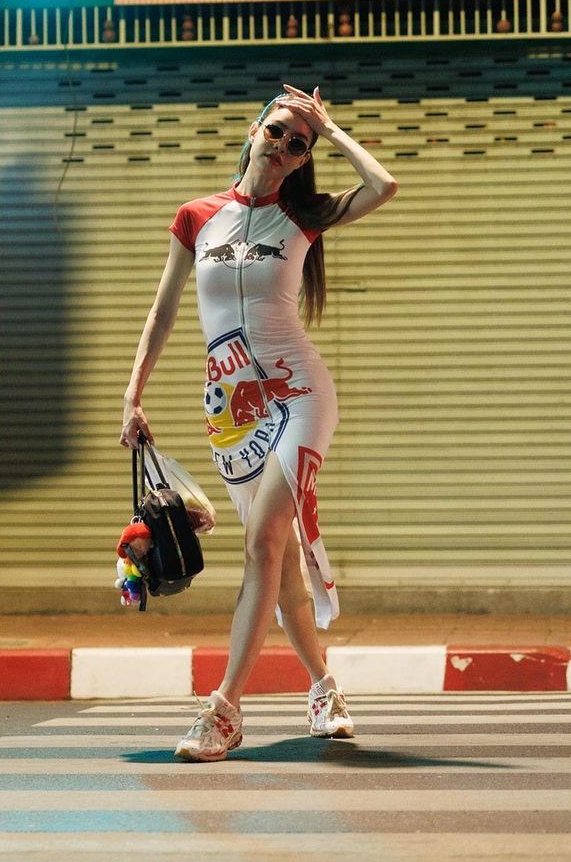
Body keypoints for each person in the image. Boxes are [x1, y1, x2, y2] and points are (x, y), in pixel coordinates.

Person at [120, 84, 398, 761]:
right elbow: (163, 313)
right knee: (282, 561)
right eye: (276, 131)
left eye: (297, 144)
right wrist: (133, 397)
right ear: (253, 131)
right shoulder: (197, 217)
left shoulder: (302, 216)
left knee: (263, 543)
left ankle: (225, 709)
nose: (283, 146)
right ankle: (324, 687)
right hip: (233, 407)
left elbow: (383, 186)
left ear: (304, 158)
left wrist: (330, 130)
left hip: (300, 396)